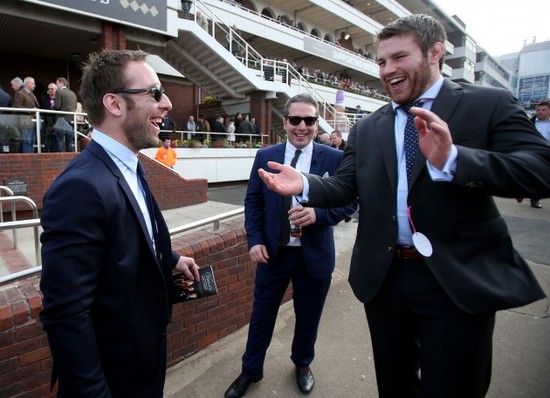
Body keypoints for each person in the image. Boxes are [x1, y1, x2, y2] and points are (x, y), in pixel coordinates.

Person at [257, 14, 550, 398]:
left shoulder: (487, 104)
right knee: (395, 386)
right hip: (385, 279)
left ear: (435, 53)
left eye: (399, 58)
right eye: (381, 61)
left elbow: (540, 170)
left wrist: (456, 160)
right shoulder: (369, 127)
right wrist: (308, 183)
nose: (387, 70)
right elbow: (346, 187)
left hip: (456, 281)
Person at [39, 49, 200, 397]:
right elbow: (66, 314)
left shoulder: (130, 163)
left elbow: (129, 238)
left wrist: (171, 259)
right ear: (114, 104)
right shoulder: (80, 186)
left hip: (144, 360)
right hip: (113, 378)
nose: (168, 103)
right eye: (154, 93)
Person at [224, 94, 357, 398]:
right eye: (295, 120)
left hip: (315, 255)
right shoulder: (265, 156)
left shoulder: (334, 158)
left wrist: (319, 214)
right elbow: (254, 201)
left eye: (309, 120)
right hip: (274, 254)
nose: (302, 126)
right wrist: (254, 240)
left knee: (309, 316)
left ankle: (302, 364)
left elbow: (350, 201)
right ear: (284, 122)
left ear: (315, 123)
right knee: (261, 317)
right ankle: (250, 370)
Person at [519, 100, 550, 208]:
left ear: (549, 111)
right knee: (525, 174)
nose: (540, 112)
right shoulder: (529, 122)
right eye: (538, 110)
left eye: (543, 110)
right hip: (530, 151)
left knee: (540, 176)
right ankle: (520, 191)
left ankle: (535, 199)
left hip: (546, 153)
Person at [13, 76, 39, 153]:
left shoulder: (32, 95)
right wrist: (31, 110)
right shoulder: (20, 93)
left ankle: (31, 157)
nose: (34, 85)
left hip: (33, 121)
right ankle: (28, 157)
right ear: (27, 84)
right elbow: (17, 107)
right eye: (32, 83)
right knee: (27, 141)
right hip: (25, 121)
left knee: (32, 141)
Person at [52, 77, 78, 152]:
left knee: (59, 140)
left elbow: (57, 106)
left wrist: (52, 107)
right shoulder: (72, 93)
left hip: (61, 118)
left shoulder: (59, 92)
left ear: (61, 83)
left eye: (57, 83)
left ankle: (60, 158)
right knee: (69, 141)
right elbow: (75, 107)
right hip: (71, 119)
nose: (56, 85)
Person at [38, 82, 57, 152]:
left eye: (52, 89)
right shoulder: (43, 99)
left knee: (55, 140)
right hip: (46, 123)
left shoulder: (58, 99)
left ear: (56, 90)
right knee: (46, 140)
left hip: (56, 122)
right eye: (49, 89)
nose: (50, 90)